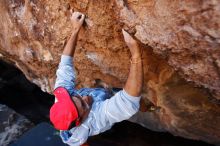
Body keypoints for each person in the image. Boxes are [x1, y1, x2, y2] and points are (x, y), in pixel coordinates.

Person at [50, 12, 143, 146]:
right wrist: (135, 54)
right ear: (81, 119)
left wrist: (75, 29)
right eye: (83, 105)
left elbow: (65, 63)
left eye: (77, 97)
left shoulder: (63, 97)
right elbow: (128, 103)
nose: (85, 98)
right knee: (78, 139)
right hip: (90, 122)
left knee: (73, 131)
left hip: (72, 125)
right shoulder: (96, 120)